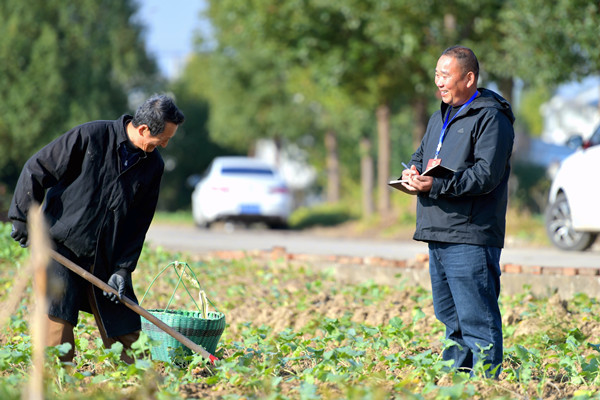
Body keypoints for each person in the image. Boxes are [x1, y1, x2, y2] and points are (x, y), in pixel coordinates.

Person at [8, 94, 185, 363]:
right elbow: (37, 168)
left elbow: (139, 223)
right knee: (57, 315)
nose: (165, 144)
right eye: (165, 137)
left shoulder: (153, 165)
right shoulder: (91, 136)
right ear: (143, 129)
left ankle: (142, 380)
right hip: (60, 246)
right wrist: (21, 218)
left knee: (126, 327)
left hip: (107, 255)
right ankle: (59, 381)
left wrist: (123, 268)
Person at [398, 46, 514, 377]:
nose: (439, 82)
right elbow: (420, 156)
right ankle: (455, 384)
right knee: (451, 320)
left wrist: (434, 186)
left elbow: (485, 176)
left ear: (469, 78)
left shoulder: (491, 118)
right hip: (438, 230)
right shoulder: (440, 117)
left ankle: (487, 386)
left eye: (445, 75)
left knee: (477, 319)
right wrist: (412, 172)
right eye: (436, 75)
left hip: (471, 232)